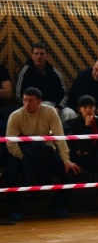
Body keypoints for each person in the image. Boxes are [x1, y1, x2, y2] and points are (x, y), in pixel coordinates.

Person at [4, 87, 81, 221]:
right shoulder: (15, 116)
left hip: (45, 153)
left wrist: (66, 160)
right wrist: (26, 158)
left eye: (31, 101)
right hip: (23, 154)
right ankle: (15, 209)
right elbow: (11, 144)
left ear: (40, 102)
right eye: (25, 100)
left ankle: (57, 206)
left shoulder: (50, 112)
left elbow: (59, 138)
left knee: (72, 171)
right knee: (10, 168)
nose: (27, 104)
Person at [67, 95, 98, 216]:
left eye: (90, 107)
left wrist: (86, 150)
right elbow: (78, 147)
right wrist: (86, 127)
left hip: (95, 156)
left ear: (94, 108)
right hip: (80, 158)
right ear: (79, 109)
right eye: (85, 107)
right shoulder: (74, 124)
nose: (88, 110)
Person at [15, 43, 76, 122]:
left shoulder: (54, 73)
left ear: (46, 55)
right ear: (32, 56)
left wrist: (58, 108)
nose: (39, 56)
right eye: (36, 54)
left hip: (54, 107)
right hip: (33, 107)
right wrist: (32, 106)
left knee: (70, 113)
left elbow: (64, 94)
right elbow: (19, 95)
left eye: (42, 54)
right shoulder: (24, 72)